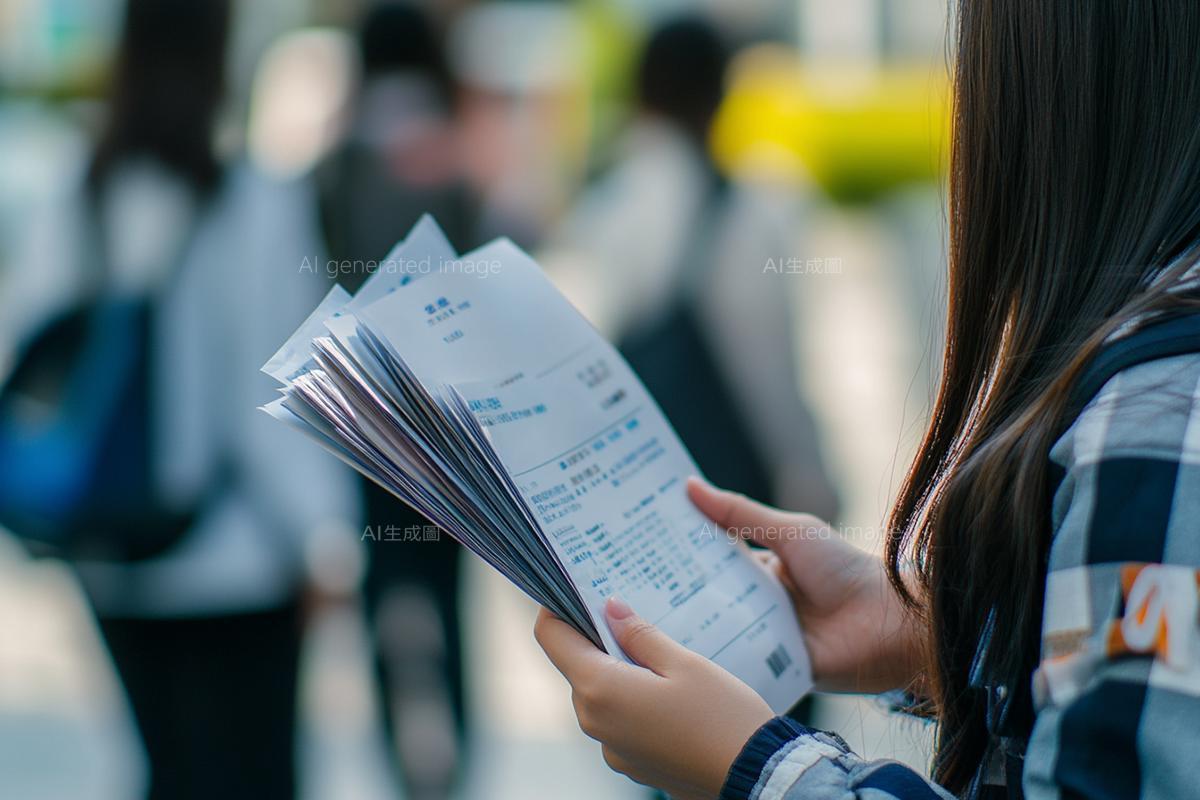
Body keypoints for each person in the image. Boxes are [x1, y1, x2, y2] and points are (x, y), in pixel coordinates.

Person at [534, 2, 1200, 798]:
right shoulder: (755, 203)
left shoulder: (1154, 418)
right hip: (738, 468)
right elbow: (771, 371)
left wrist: (758, 770)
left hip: (662, 503)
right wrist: (924, 631)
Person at [2, 1, 358, 797]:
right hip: (241, 555)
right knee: (257, 775)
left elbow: (32, 355)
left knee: (166, 769)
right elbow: (283, 388)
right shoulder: (255, 200)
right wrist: (322, 542)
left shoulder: (76, 194)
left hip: (112, 549)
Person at [541, 15, 839, 518]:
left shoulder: (606, 208)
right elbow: (774, 373)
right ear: (720, 98)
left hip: (637, 490)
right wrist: (815, 479)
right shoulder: (757, 210)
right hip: (735, 496)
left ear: (639, 97)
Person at [315, 5, 477, 799]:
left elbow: (318, 286)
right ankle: (456, 749)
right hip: (449, 425)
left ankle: (400, 753)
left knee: (386, 588)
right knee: (450, 597)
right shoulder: (453, 156)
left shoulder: (338, 160)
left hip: (366, 418)